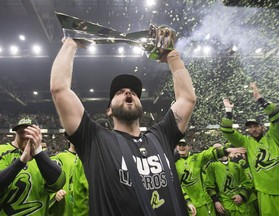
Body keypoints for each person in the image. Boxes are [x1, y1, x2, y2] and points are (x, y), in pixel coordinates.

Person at [50, 37, 197, 215]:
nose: (128, 92)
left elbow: (187, 99)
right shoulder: (96, 140)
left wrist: (172, 57)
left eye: (134, 93)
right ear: (109, 111)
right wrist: (70, 44)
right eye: (120, 92)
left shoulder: (160, 135)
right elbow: (60, 89)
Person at [220, 82, 279, 216]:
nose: (253, 129)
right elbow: (226, 130)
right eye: (250, 127)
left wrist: (260, 100)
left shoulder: (275, 137)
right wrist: (228, 112)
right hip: (265, 192)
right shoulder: (245, 142)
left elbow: (278, 117)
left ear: (262, 126)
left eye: (256, 126)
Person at [0, 117, 66, 215]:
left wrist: (38, 154)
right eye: (22, 132)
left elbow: (58, 183)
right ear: (16, 133)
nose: (27, 135)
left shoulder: (46, 156)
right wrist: (21, 161)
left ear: (38, 134)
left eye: (31, 132)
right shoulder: (2, 151)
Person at [175, 139, 247, 216]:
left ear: (188, 146)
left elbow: (208, 154)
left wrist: (226, 150)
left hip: (206, 202)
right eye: (180, 145)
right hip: (190, 205)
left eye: (184, 145)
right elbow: (177, 186)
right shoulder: (173, 164)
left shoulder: (196, 158)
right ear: (176, 147)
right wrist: (187, 201)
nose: (182, 147)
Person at [205, 144, 253, 216]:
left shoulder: (236, 164)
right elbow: (209, 187)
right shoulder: (212, 167)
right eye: (216, 149)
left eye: (220, 148)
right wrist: (216, 201)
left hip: (242, 206)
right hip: (225, 206)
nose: (219, 150)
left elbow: (247, 183)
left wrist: (241, 196)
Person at [49, 141, 77, 216]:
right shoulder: (59, 158)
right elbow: (47, 181)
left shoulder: (90, 159)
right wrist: (55, 193)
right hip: (64, 210)